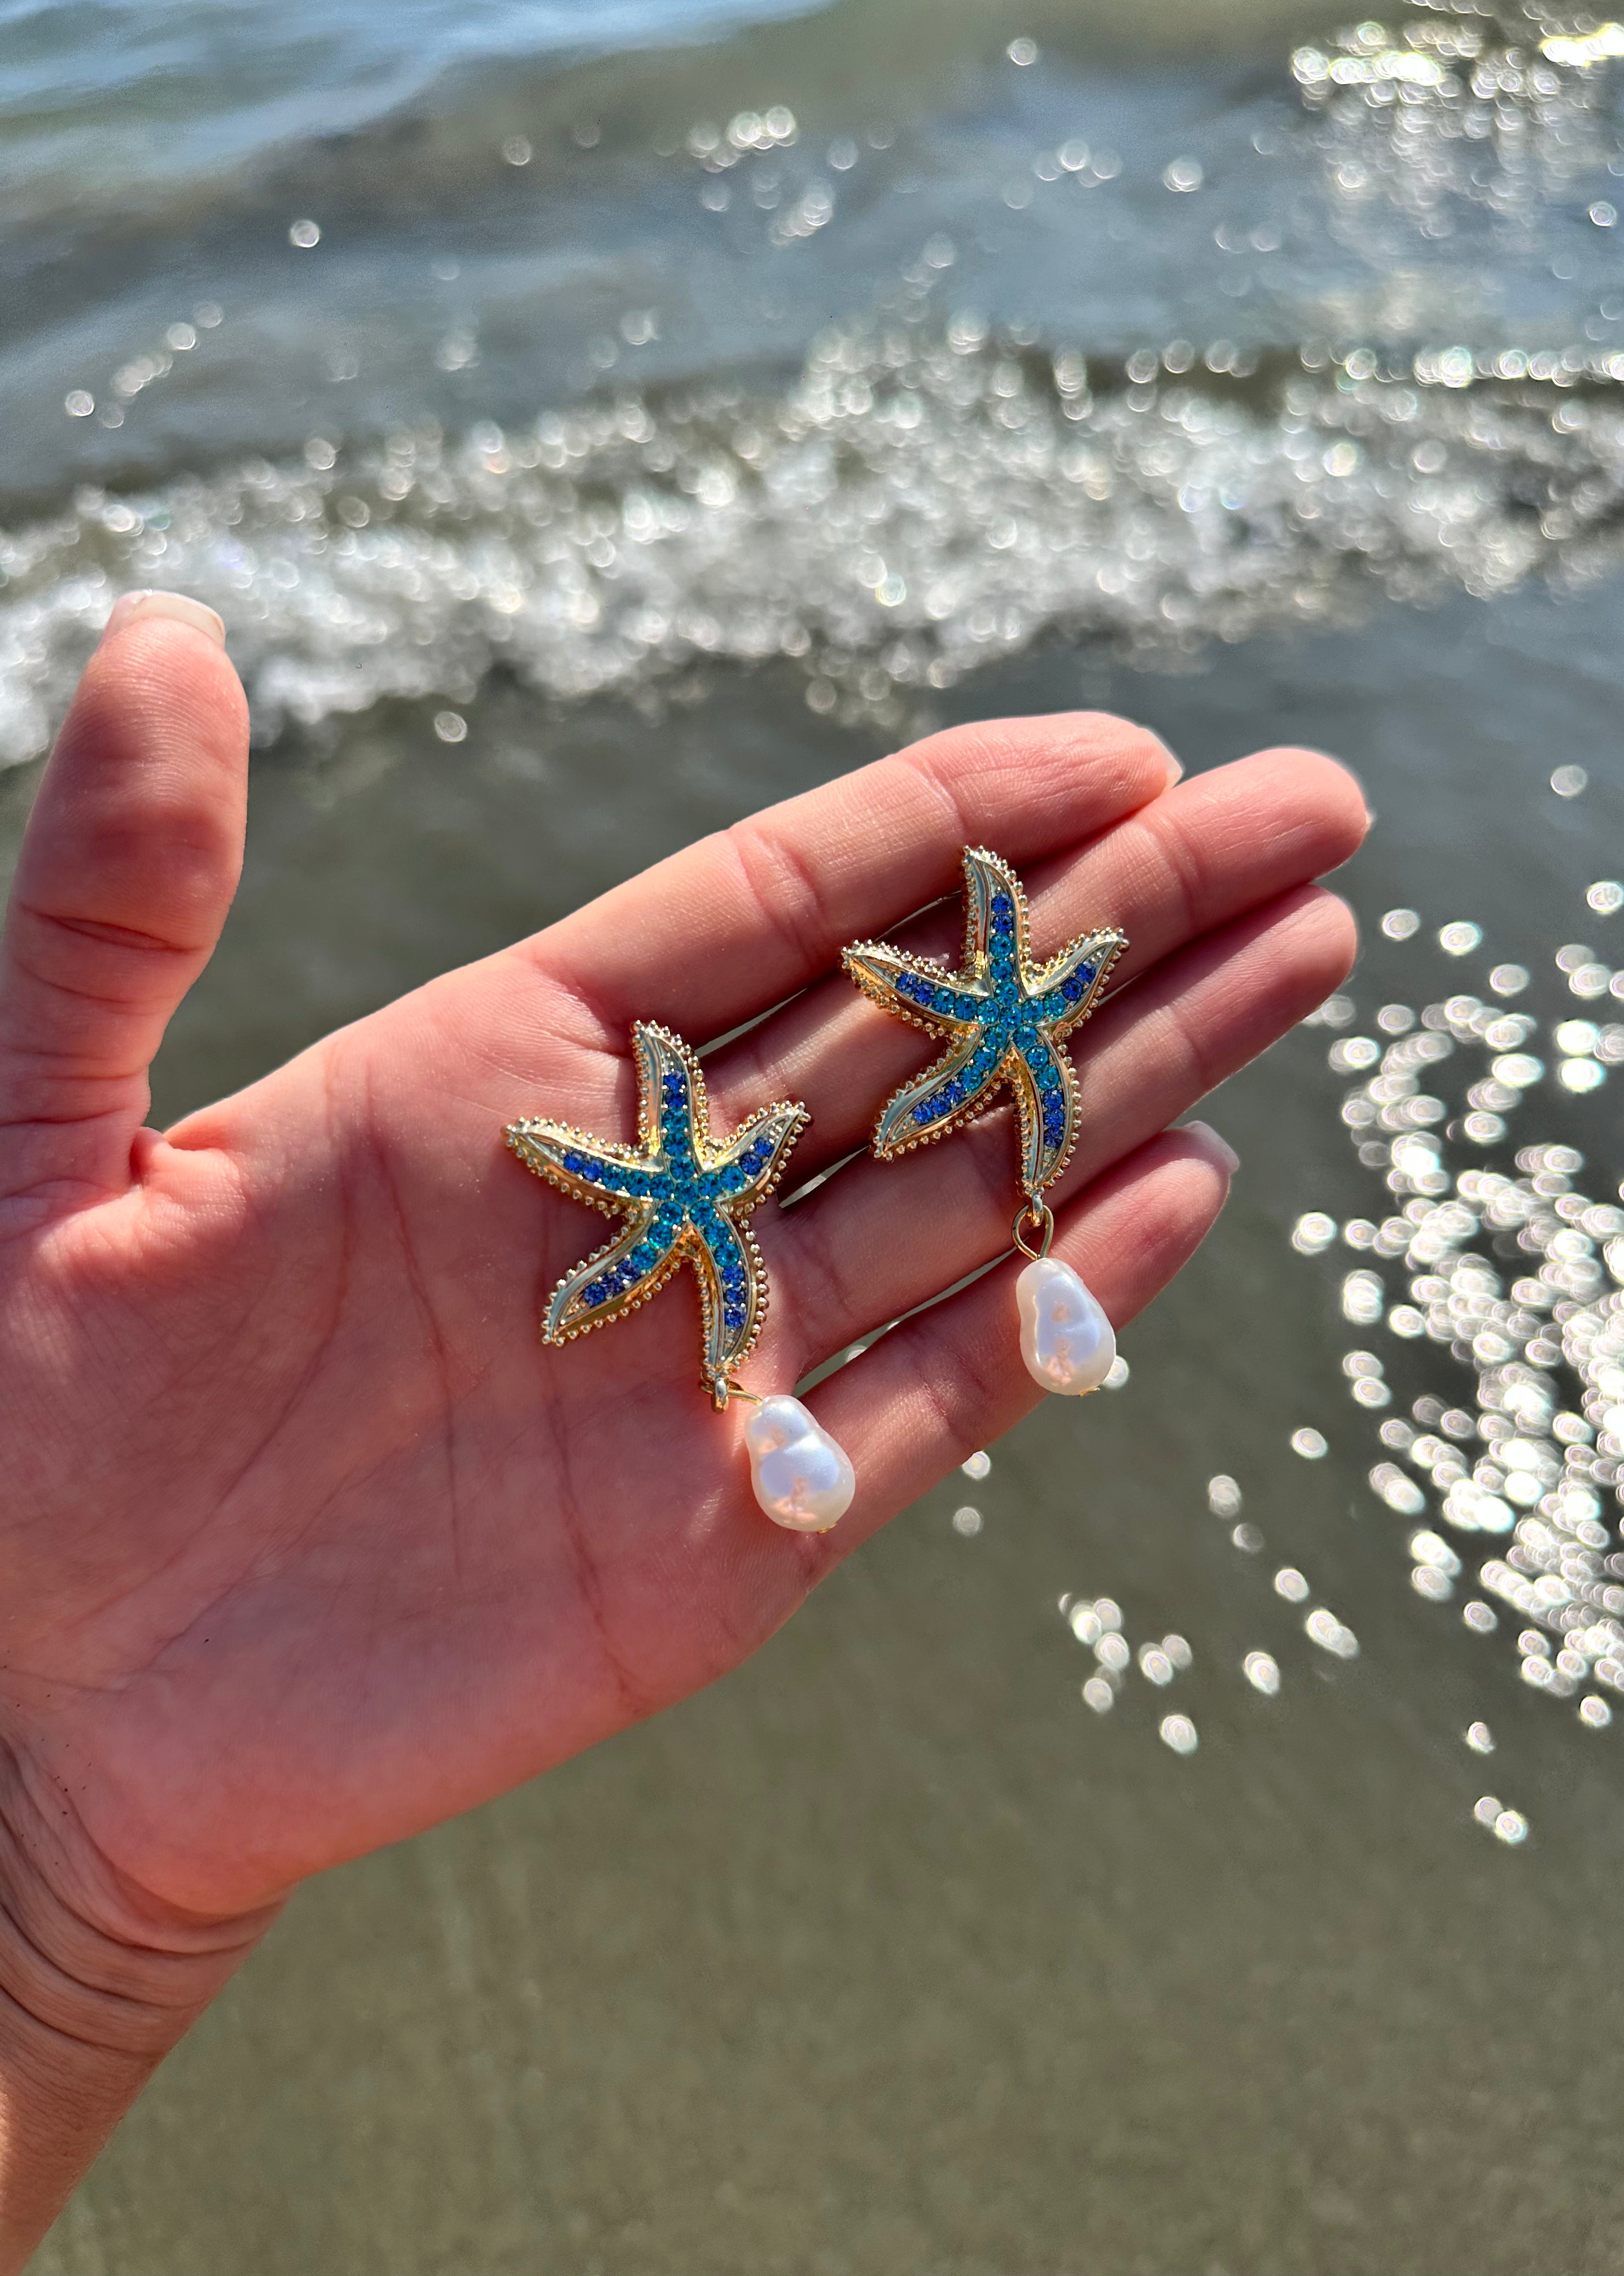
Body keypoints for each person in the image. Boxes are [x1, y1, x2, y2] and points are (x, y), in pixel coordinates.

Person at [0, 590, 1366, 2262]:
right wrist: (61, 1900)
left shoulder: (877, 1099)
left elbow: (963, 1045)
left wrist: (70, 1910)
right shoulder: (701, 1178)